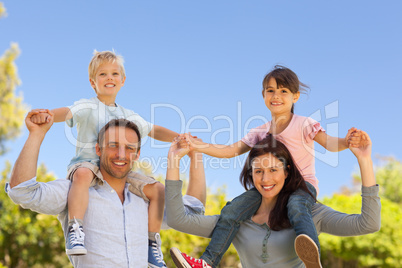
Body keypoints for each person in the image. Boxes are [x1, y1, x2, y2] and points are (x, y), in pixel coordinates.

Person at [180, 65, 360, 267]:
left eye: (284, 91)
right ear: (263, 95)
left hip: (301, 186)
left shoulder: (304, 124)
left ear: (296, 97)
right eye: (271, 90)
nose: (276, 95)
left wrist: (347, 141)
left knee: (297, 207)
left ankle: (311, 257)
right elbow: (230, 151)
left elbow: (328, 143)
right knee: (232, 210)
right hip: (270, 188)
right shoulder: (260, 131)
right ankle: (207, 262)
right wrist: (198, 145)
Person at [29, 50, 177, 267]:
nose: (109, 78)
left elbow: (154, 130)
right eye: (103, 74)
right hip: (87, 165)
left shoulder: (129, 115)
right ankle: (76, 228)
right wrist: (48, 115)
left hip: (118, 171)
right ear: (93, 82)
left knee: (158, 190)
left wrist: (180, 138)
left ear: (123, 80)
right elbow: (67, 112)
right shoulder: (87, 106)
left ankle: (151, 243)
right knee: (82, 174)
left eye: (115, 74)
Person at [166, 134, 380, 268]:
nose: (265, 179)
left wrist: (364, 160)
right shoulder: (236, 220)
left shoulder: (311, 214)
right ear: (250, 174)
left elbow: (368, 224)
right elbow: (178, 220)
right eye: (258, 171)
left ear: (287, 172)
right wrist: (174, 161)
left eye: (273, 170)